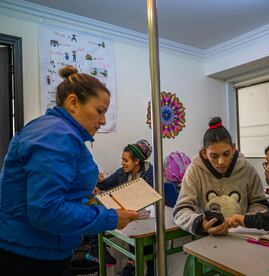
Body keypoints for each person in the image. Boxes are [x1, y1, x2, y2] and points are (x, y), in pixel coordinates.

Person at [0, 65, 139, 275]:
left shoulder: (56, 131)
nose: (103, 121)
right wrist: (110, 218)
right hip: (31, 256)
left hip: (39, 249)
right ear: (73, 103)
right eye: (99, 111)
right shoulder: (56, 135)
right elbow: (46, 210)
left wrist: (83, 195)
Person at [173, 117, 268, 236]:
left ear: (233, 148)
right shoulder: (194, 170)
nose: (221, 161)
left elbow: (260, 204)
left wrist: (247, 221)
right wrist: (201, 224)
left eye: (226, 154)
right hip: (207, 239)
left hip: (242, 237)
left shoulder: (247, 170)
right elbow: (181, 210)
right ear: (204, 153)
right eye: (214, 156)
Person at [96, 140, 154, 276]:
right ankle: (131, 264)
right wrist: (99, 182)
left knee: (145, 244)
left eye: (125, 160)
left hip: (148, 220)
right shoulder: (122, 172)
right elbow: (106, 184)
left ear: (137, 161)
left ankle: (146, 267)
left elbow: (151, 198)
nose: (122, 163)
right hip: (131, 219)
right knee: (130, 229)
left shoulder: (150, 173)